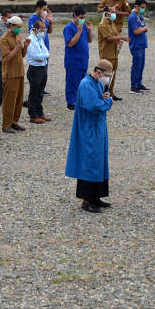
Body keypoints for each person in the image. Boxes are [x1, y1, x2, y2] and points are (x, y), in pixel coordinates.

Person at [64, 59, 115, 213]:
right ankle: (87, 200)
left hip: (97, 127)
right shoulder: (86, 84)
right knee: (89, 161)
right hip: (88, 128)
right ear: (98, 72)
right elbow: (93, 105)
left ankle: (96, 196)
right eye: (106, 75)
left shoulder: (97, 83)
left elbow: (101, 97)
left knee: (99, 161)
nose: (107, 78)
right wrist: (109, 102)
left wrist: (106, 96)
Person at [0, 16, 29, 134]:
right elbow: (7, 58)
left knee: (18, 100)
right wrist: (17, 47)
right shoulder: (4, 39)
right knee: (9, 101)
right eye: (17, 27)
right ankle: (6, 125)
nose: (19, 30)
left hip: (19, 72)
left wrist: (25, 46)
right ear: (11, 26)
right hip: (10, 74)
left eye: (20, 27)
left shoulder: (18, 36)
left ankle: (14, 122)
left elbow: (22, 55)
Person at [63, 6, 92, 110]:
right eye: (81, 17)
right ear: (75, 16)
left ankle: (79, 100)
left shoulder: (83, 26)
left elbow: (90, 40)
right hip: (73, 59)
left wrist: (90, 30)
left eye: (84, 17)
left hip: (83, 58)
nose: (82, 19)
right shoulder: (69, 28)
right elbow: (70, 43)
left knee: (82, 81)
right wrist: (78, 31)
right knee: (72, 81)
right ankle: (70, 101)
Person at [97, 7, 129, 101]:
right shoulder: (102, 25)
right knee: (105, 74)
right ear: (107, 13)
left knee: (112, 74)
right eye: (113, 12)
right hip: (106, 53)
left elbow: (115, 35)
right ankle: (103, 93)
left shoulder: (112, 23)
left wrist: (119, 42)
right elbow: (108, 38)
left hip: (114, 52)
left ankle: (110, 93)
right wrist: (122, 37)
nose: (115, 13)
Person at [26, 18, 51, 124]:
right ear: (35, 30)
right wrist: (44, 56)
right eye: (42, 30)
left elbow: (46, 52)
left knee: (40, 92)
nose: (43, 32)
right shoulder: (30, 39)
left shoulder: (40, 39)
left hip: (42, 67)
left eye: (44, 30)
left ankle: (40, 112)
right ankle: (33, 114)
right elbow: (35, 56)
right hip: (35, 68)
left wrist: (44, 56)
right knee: (34, 92)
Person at [28, 0, 53, 88]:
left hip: (45, 46)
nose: (45, 12)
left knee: (45, 68)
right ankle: (36, 87)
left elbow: (49, 32)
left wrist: (50, 22)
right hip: (37, 47)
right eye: (43, 9)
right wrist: (43, 19)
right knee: (38, 68)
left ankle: (42, 87)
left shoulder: (45, 19)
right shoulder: (32, 19)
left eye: (46, 10)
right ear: (38, 8)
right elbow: (33, 34)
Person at [128, 0, 150, 94]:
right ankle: (134, 86)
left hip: (141, 44)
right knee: (136, 65)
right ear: (137, 6)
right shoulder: (132, 17)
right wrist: (144, 28)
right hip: (136, 44)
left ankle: (139, 82)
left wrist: (144, 29)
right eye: (142, 7)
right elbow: (136, 31)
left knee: (141, 65)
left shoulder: (139, 16)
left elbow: (142, 27)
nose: (143, 9)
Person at [0, 10, 12, 106]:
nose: (10, 19)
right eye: (8, 17)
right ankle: (0, 100)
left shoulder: (9, 26)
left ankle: (8, 97)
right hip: (2, 57)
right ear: (3, 17)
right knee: (2, 79)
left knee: (9, 79)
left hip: (10, 56)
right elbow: (5, 41)